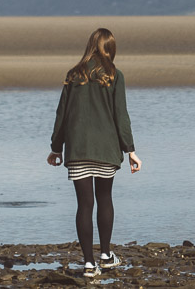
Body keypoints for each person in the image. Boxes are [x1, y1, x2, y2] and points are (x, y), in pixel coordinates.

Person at [48, 28, 141, 278]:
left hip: (77, 150)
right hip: (106, 149)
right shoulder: (114, 75)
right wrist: (130, 150)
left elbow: (62, 116)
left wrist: (56, 148)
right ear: (110, 49)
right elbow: (121, 115)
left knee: (84, 205)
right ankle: (106, 255)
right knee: (105, 199)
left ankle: (89, 264)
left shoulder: (73, 74)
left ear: (90, 46)